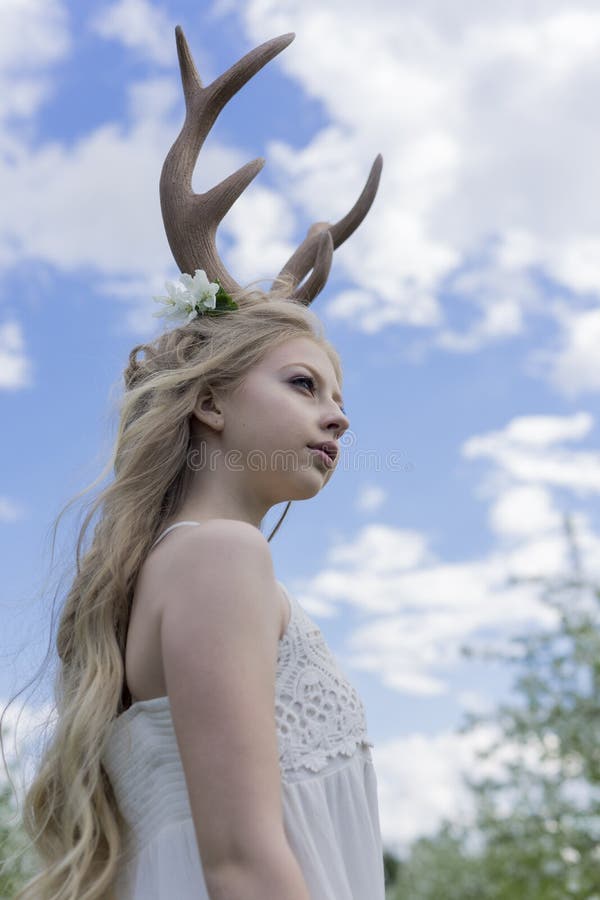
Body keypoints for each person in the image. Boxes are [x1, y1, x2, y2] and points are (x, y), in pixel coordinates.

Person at [7, 25, 385, 900]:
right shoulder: (220, 554)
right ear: (209, 401)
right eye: (304, 383)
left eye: (336, 394)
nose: (340, 415)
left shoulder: (182, 563)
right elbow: (244, 866)